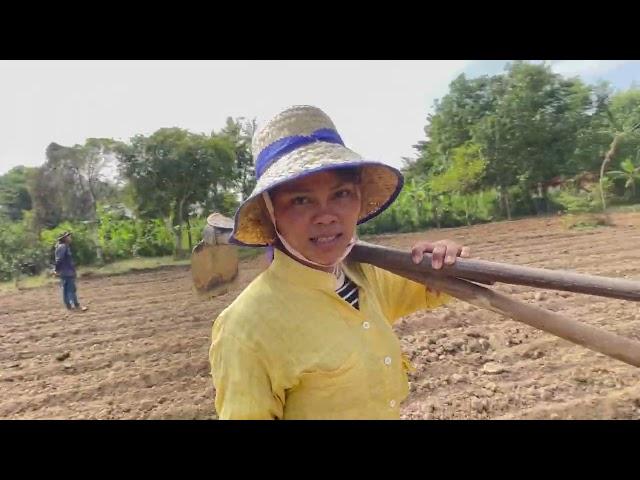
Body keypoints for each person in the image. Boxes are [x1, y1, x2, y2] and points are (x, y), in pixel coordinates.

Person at [209, 105, 469, 419]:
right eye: (301, 200)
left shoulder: (366, 276)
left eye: (341, 194)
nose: (327, 216)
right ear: (271, 214)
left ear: (358, 200)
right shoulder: (246, 328)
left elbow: (437, 286)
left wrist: (443, 258)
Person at [54, 231, 87, 312]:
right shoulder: (63, 247)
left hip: (65, 271)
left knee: (66, 289)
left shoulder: (62, 246)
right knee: (71, 289)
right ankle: (76, 306)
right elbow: (59, 260)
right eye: (68, 237)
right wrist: (56, 269)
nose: (70, 238)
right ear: (64, 239)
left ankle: (69, 306)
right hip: (67, 272)